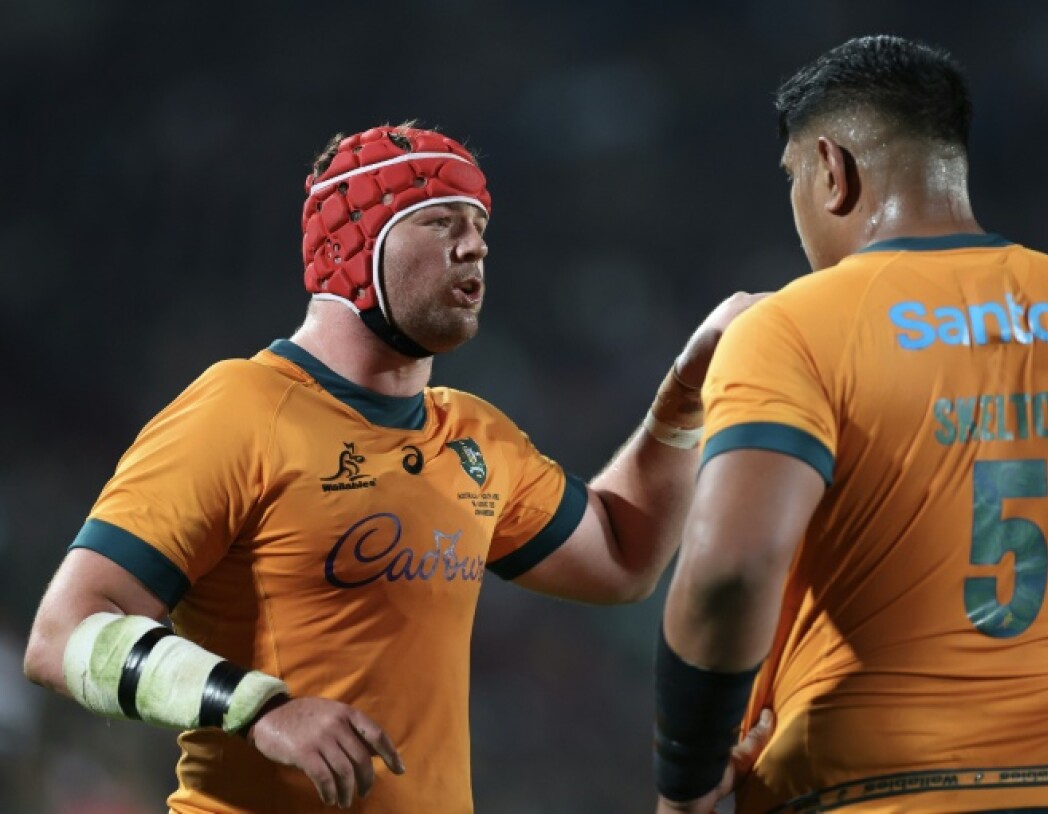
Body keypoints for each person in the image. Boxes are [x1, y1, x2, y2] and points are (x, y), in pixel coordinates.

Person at [22, 121, 763, 813]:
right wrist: (255, 707)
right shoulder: (239, 409)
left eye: (480, 227)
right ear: (352, 246)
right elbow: (63, 635)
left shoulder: (474, 435)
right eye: (441, 222)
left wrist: (684, 395)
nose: (474, 246)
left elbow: (622, 559)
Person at [651, 34, 1048, 814]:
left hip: (856, 788)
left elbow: (729, 572)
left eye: (792, 181)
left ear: (832, 169)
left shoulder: (792, 325)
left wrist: (684, 780)